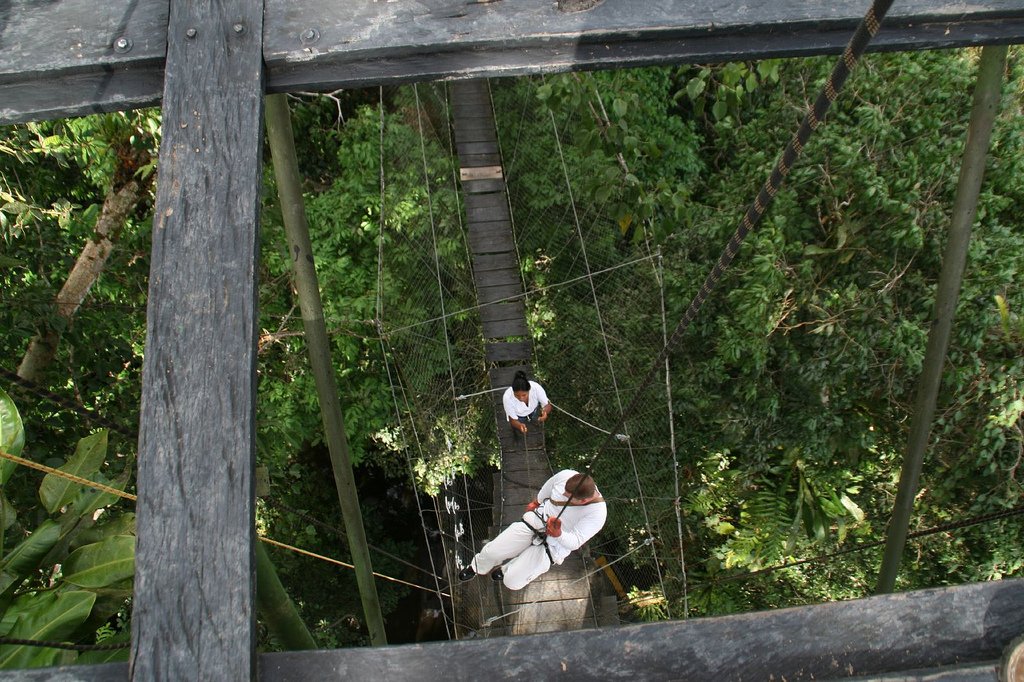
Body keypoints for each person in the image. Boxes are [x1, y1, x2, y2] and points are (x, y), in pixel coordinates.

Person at [458, 469, 606, 591]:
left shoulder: (597, 514)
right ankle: (476, 567)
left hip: (553, 546)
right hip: (536, 522)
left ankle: (505, 570)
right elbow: (548, 487)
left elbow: (576, 542)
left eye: (567, 497)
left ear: (583, 501)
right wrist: (536, 502)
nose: (562, 495)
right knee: (492, 552)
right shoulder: (566, 475)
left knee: (512, 582)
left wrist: (558, 534)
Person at [502, 370, 551, 434]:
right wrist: (519, 425)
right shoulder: (507, 397)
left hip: (533, 410)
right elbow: (512, 419)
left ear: (529, 390)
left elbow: (547, 404)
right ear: (513, 391)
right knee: (517, 430)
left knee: (534, 418)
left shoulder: (536, 388)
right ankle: (517, 433)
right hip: (519, 416)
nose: (521, 398)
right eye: (516, 396)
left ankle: (533, 422)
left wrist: (545, 412)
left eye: (524, 395)